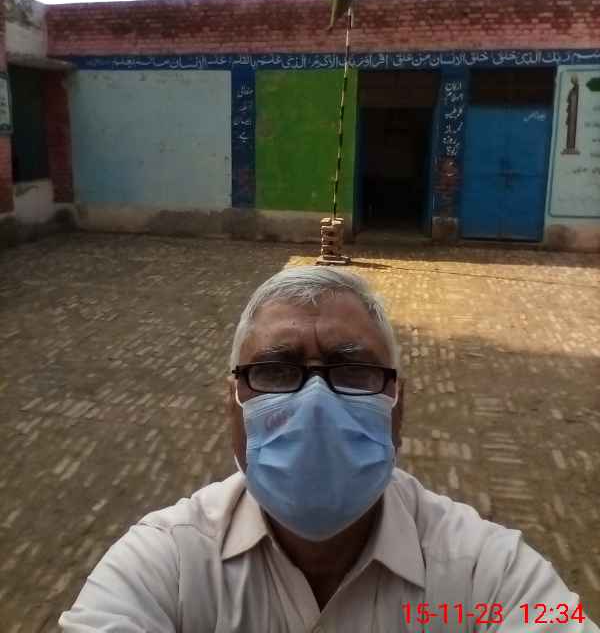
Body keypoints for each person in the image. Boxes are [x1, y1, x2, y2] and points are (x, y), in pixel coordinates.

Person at [60, 266, 598, 632]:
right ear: (233, 406)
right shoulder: (167, 564)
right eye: (276, 371)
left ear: (398, 408)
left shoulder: (488, 574)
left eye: (352, 370)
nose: (315, 402)